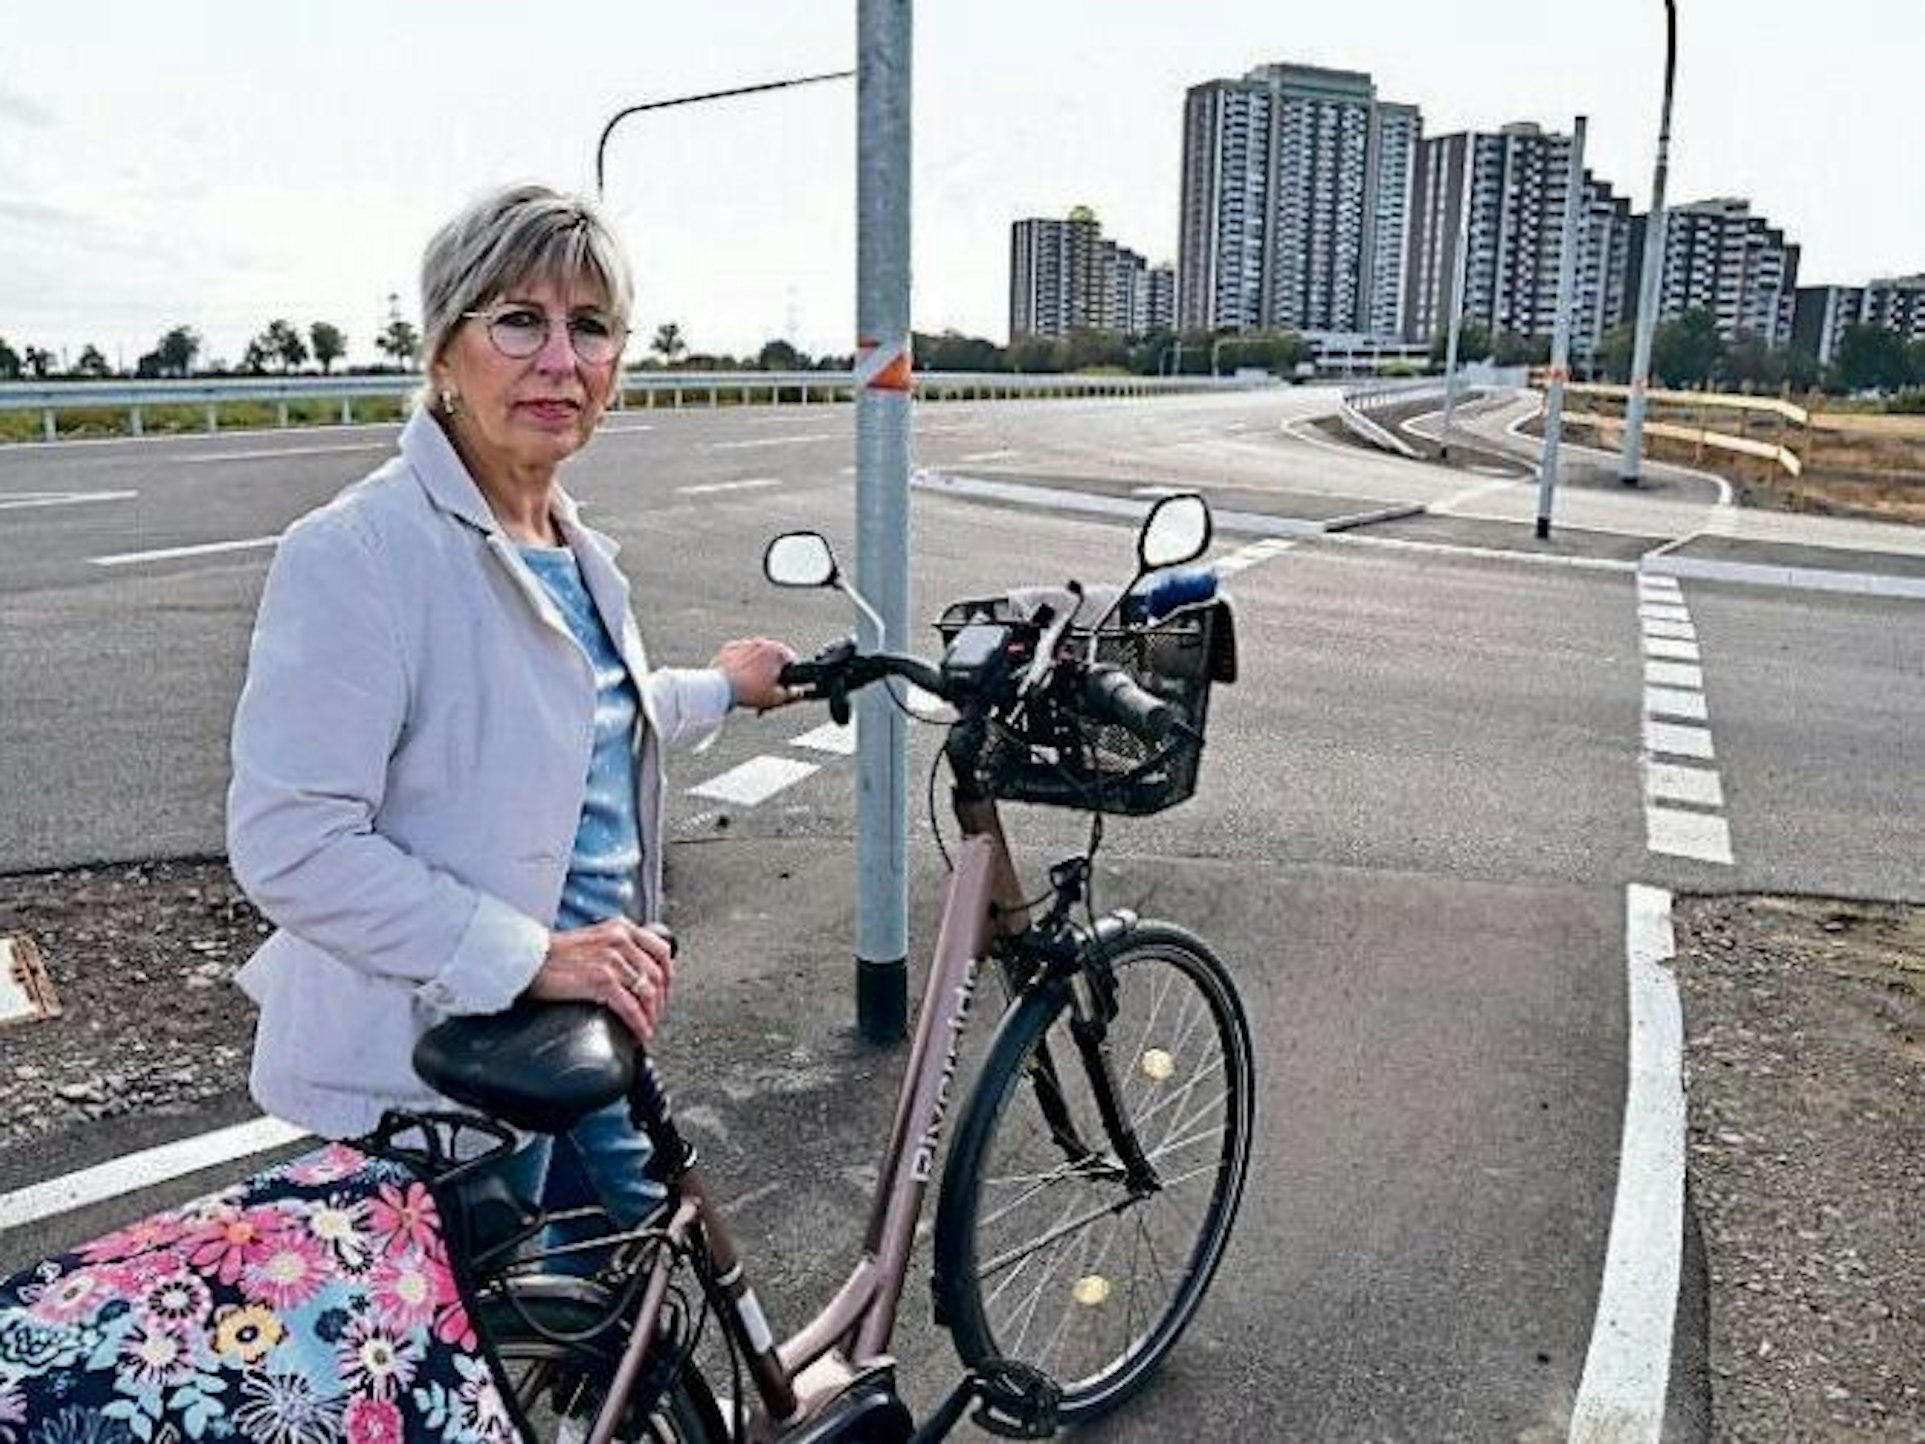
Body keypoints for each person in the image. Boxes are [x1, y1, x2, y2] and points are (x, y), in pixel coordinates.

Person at [227, 181, 794, 1242]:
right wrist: (531, 956)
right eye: (518, 320)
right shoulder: (359, 552)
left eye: (589, 328)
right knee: (496, 1373)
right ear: (443, 353)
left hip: (580, 1045)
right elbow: (290, 843)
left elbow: (567, 722)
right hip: (441, 1082)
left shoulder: (567, 546)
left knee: (635, 1325)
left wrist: (726, 685)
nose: (557, 360)